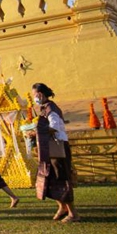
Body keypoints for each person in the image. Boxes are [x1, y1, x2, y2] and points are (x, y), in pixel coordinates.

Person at [32, 83, 79, 223]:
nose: (34, 97)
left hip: (58, 148)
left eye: (35, 94)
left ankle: (73, 213)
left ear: (41, 94)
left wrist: (36, 132)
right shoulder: (45, 109)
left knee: (61, 178)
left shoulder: (51, 109)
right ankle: (62, 206)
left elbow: (55, 128)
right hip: (51, 148)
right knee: (51, 178)